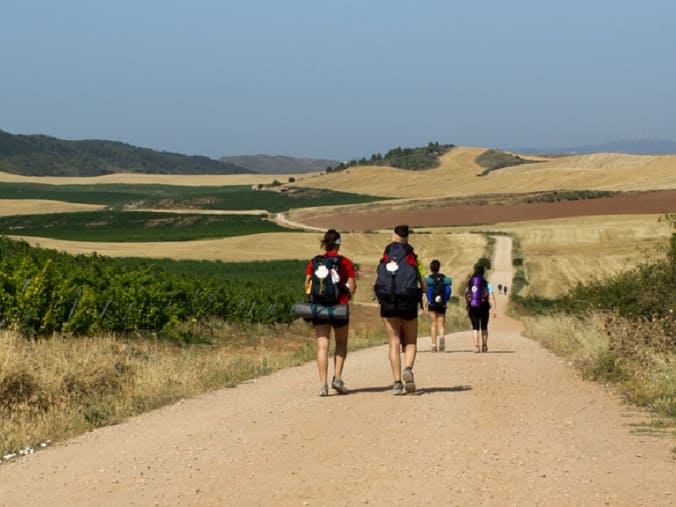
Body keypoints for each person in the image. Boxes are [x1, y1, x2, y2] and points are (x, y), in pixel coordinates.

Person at [374, 224, 428, 395]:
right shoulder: (413, 257)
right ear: (407, 237)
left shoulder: (386, 255)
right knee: (411, 341)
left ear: (393, 236)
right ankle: (408, 369)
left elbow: (379, 279)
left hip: (388, 302)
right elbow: (423, 284)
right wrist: (424, 294)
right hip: (408, 302)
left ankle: (397, 382)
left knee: (393, 342)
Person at [304, 229, 356, 396]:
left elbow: (307, 286)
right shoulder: (346, 263)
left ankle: (322, 384)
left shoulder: (314, 262)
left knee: (322, 345)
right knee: (341, 344)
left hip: (319, 308)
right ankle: (338, 378)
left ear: (324, 243)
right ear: (339, 244)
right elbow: (352, 287)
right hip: (339, 307)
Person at [464, 265, 497, 353]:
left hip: (473, 308)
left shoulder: (470, 283)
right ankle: (485, 346)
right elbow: (491, 297)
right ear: (483, 273)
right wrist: (494, 309)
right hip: (484, 307)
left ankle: (476, 347)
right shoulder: (487, 283)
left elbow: (466, 295)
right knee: (484, 327)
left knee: (475, 328)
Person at [425, 259, 452, 352]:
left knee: (433, 324)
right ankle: (441, 338)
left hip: (432, 304)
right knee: (441, 325)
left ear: (431, 268)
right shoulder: (444, 279)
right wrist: (445, 300)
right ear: (439, 268)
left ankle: (433, 345)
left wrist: (428, 301)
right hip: (442, 303)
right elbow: (448, 290)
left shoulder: (429, 279)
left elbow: (427, 291)